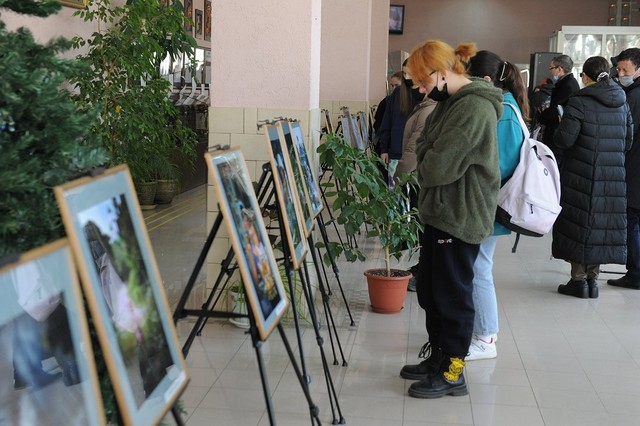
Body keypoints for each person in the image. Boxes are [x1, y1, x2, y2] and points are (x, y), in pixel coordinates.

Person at [399, 40, 503, 399]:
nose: (417, 88)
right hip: (440, 211)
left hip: (459, 214)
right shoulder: (449, 103)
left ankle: (453, 371)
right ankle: (439, 356)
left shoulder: (473, 108)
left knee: (452, 296)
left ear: (441, 73)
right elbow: (426, 146)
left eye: (421, 81)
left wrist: (428, 156)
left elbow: (436, 165)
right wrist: (429, 154)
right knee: (429, 290)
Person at [465, 51, 530, 360]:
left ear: (487, 81)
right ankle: (480, 330)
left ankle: (486, 337)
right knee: (478, 267)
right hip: (487, 204)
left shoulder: (502, 112)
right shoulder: (506, 107)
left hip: (489, 205)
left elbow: (500, 166)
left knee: (480, 269)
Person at [552, 56, 632, 298]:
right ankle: (593, 281)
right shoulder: (622, 101)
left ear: (585, 77)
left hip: (581, 170)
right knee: (600, 223)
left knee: (579, 221)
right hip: (613, 173)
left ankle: (578, 280)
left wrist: (560, 125)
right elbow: (627, 141)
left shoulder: (579, 101)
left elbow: (564, 139)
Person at [395, 77, 437, 292]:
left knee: (424, 227)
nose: (417, 88)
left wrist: (400, 175)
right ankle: (423, 267)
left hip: (420, 176)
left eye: (422, 84)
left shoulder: (429, 110)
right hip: (419, 176)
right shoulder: (425, 107)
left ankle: (425, 272)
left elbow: (414, 149)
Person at [607, 47, 640, 290]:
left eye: (624, 70)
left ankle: (635, 272)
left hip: (635, 168)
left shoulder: (634, 96)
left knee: (632, 220)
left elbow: (625, 133)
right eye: (619, 69)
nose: (620, 74)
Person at [376, 60, 425, 186]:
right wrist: (384, 149)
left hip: (418, 156)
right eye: (404, 73)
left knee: (416, 197)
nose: (407, 77)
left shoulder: (428, 95)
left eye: (410, 73)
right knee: (394, 193)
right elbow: (386, 122)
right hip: (395, 153)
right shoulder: (397, 93)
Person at [537, 54, 580, 165]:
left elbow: (555, 109)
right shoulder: (565, 83)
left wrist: (541, 117)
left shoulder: (568, 86)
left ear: (560, 69)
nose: (550, 71)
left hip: (558, 133)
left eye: (551, 68)